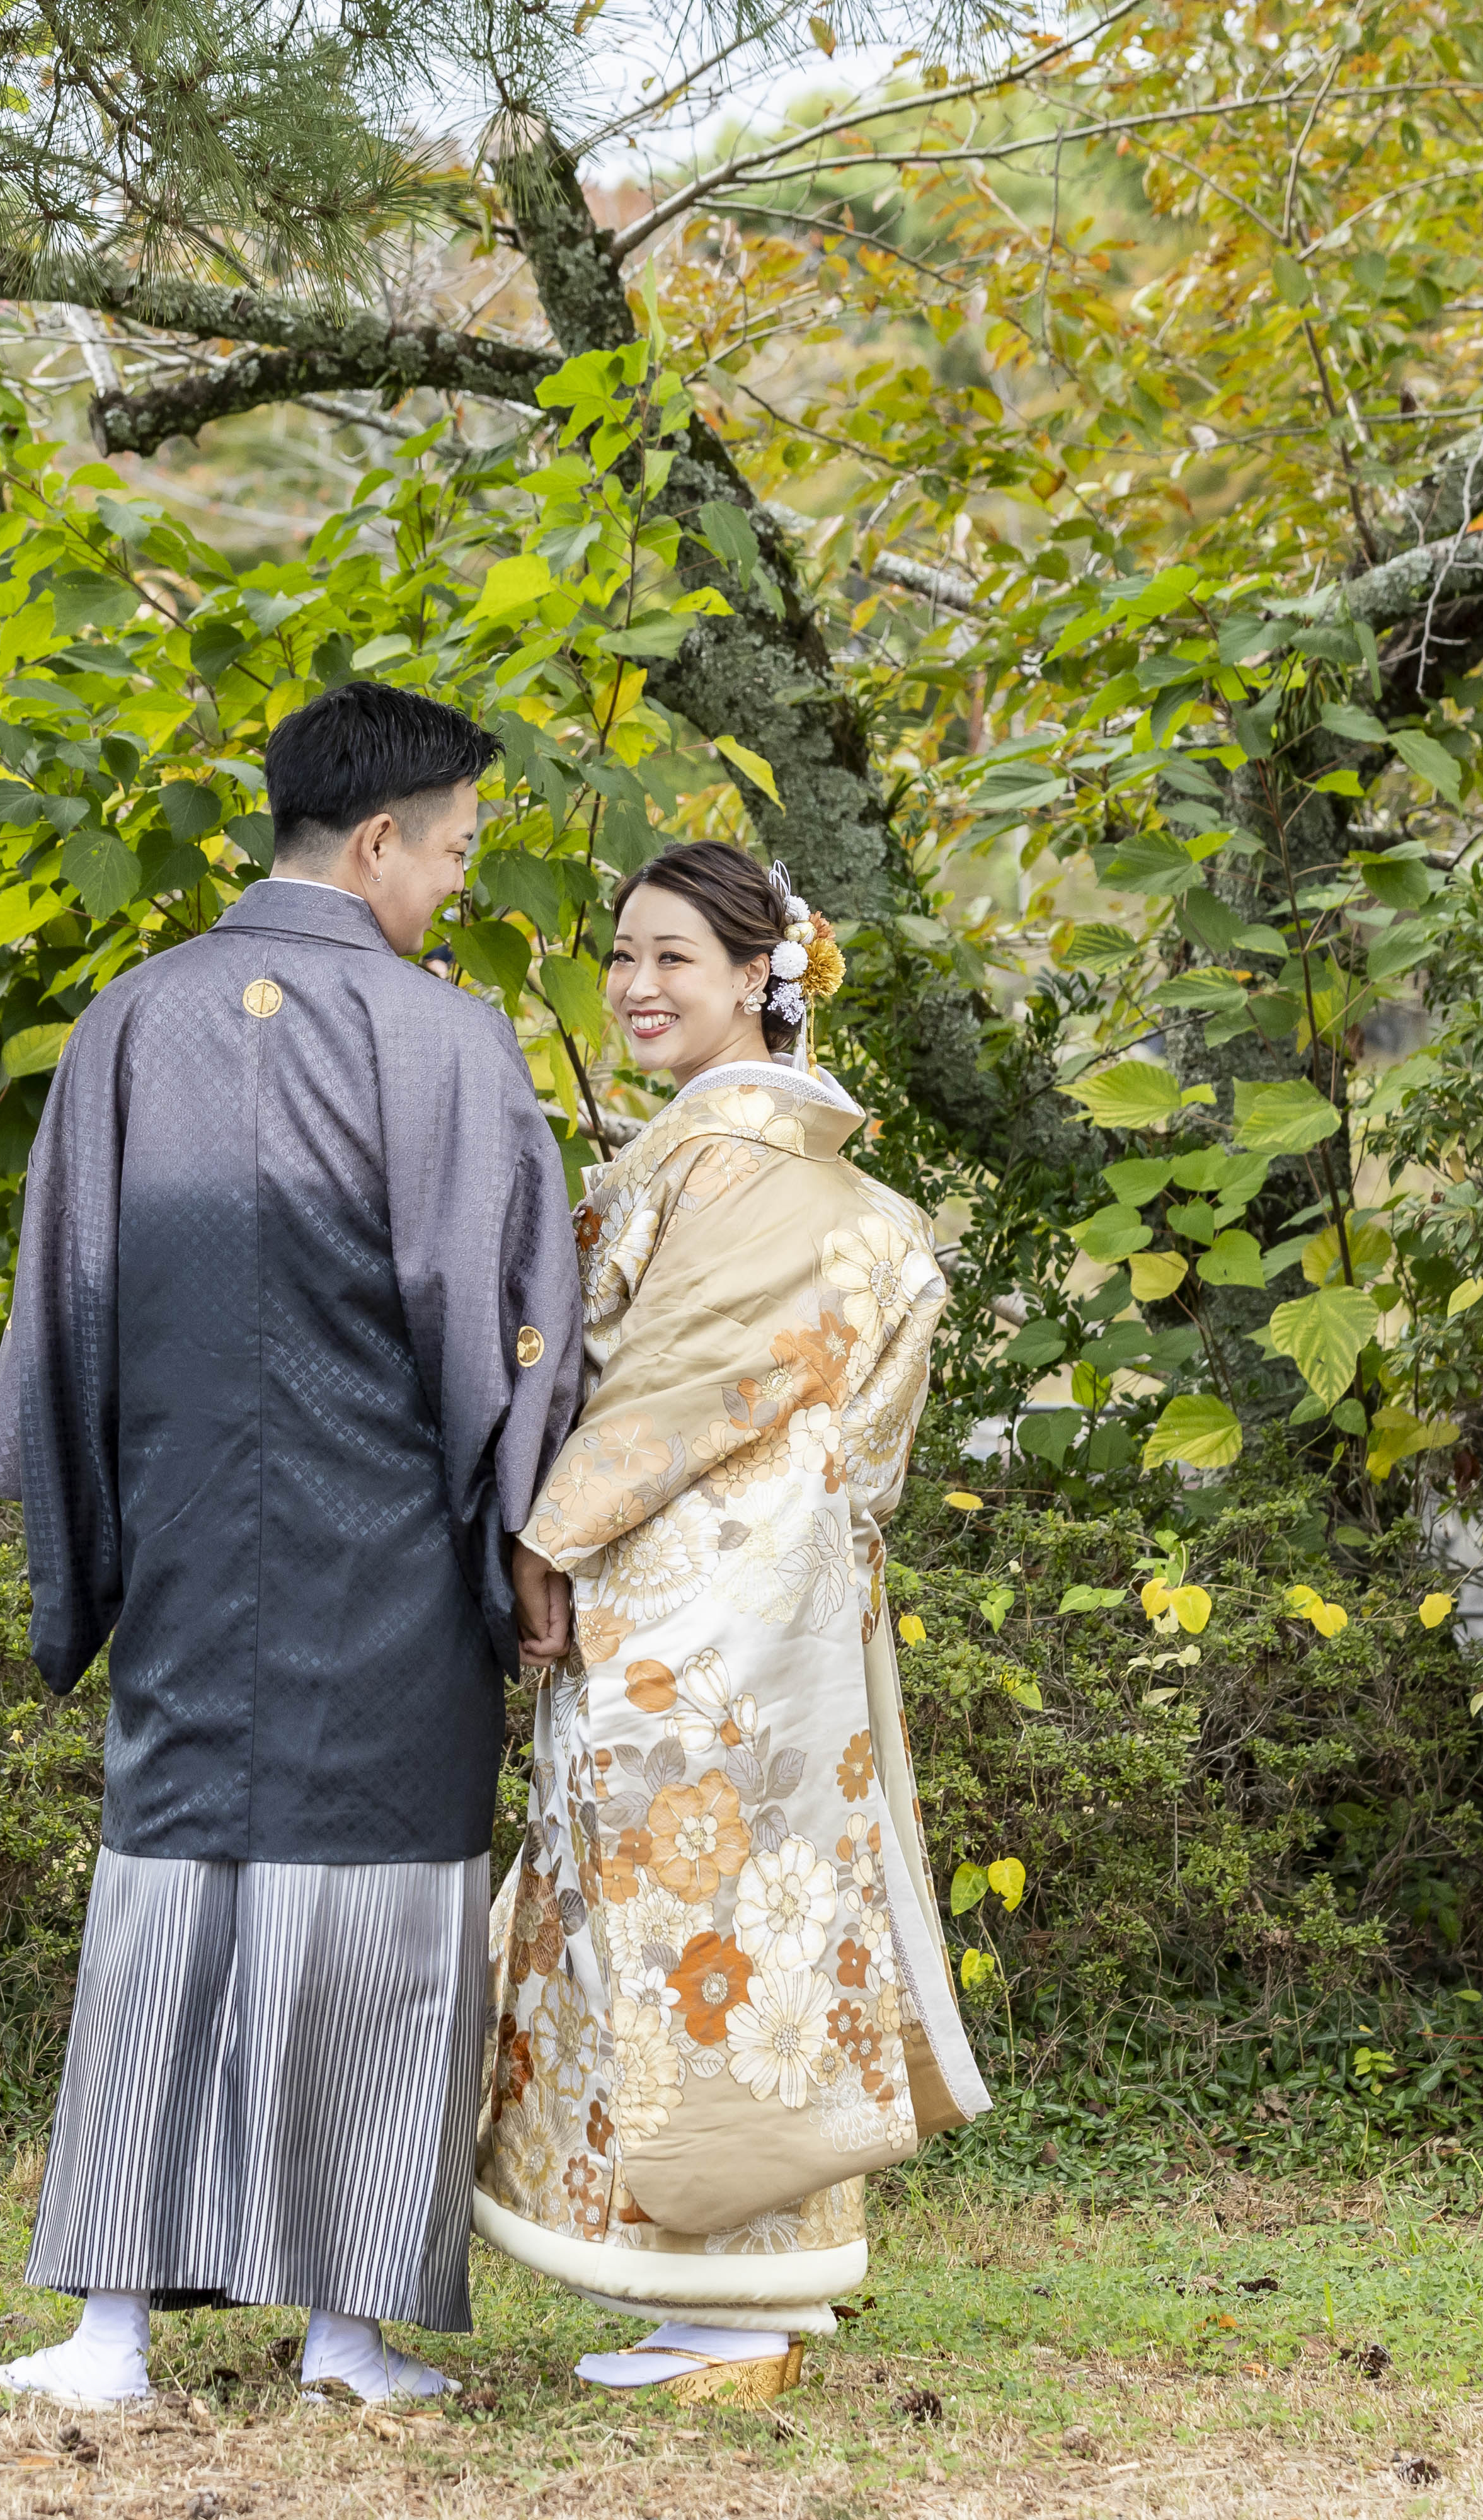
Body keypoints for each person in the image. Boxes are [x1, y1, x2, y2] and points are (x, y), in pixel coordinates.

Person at [0, 682, 584, 2408]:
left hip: (183, 1546)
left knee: (166, 1898)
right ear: (381, 840)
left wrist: (99, 1531)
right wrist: (524, 1526)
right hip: (386, 1560)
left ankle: (108, 2331)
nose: (454, 885)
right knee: (385, 1926)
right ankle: (346, 2333)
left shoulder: (130, 1022)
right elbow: (511, 1321)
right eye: (455, 851)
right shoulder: (442, 1038)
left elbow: (65, 1305)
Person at [468, 838, 987, 2403]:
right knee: (748, 1929)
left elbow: (675, 1383)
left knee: (700, 1934)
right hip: (759, 1596)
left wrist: (553, 1527)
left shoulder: (740, 1161)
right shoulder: (768, 1158)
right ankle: (732, 2299)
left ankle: (735, 2315)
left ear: (764, 971)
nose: (636, 985)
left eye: (674, 955)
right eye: (623, 954)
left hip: (700, 1606)